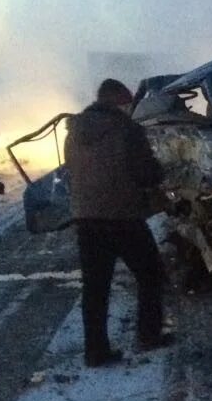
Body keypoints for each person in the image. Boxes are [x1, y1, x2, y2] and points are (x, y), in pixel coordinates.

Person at [65, 78, 171, 367]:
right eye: (126, 104)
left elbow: (70, 169)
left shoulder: (74, 130)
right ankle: (149, 335)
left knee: (95, 287)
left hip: (86, 218)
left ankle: (95, 352)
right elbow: (146, 172)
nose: (128, 109)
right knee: (151, 273)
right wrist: (161, 175)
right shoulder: (128, 129)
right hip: (122, 216)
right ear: (117, 102)